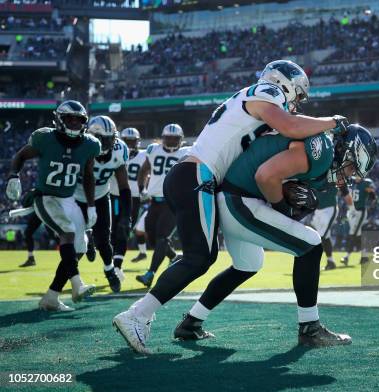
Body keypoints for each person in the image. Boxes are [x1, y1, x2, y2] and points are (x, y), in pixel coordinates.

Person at [113, 59, 351, 354]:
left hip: (199, 178)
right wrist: (332, 122)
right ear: (284, 83)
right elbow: (290, 127)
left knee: (245, 262)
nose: (298, 103)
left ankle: (190, 322)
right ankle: (138, 314)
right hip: (198, 175)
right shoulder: (266, 91)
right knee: (200, 257)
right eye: (298, 95)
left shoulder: (254, 104)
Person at [173, 124, 377, 347]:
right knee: (311, 244)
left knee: (248, 263)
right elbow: (266, 175)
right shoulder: (322, 149)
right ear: (345, 149)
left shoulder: (318, 152)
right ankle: (310, 328)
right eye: (351, 167)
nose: (348, 175)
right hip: (239, 199)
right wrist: (283, 209)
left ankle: (191, 323)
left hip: (234, 198)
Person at [5, 100, 100, 311]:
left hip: (68, 199)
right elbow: (20, 155)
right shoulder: (45, 138)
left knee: (80, 247)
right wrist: (13, 175)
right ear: (59, 119)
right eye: (69, 119)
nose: (74, 123)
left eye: (79, 120)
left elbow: (88, 176)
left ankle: (52, 296)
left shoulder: (90, 144)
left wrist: (92, 206)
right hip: (46, 197)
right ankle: (77, 284)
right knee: (67, 231)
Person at [74, 115, 131, 293]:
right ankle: (74, 278)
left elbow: (124, 186)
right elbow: (88, 178)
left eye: (110, 137)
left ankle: (109, 270)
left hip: (100, 196)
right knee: (75, 243)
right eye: (104, 139)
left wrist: (125, 215)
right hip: (75, 196)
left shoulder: (120, 149)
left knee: (104, 241)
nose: (108, 142)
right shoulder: (82, 147)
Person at [135, 123, 187, 287]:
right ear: (163, 138)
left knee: (162, 237)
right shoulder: (153, 150)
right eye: (168, 138)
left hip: (172, 202)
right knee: (152, 239)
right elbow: (144, 170)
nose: (171, 141)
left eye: (175, 138)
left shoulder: (187, 153)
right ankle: (173, 257)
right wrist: (142, 188)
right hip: (154, 202)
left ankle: (150, 274)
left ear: (181, 139)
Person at [109, 127, 148, 268]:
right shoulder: (115, 152)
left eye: (133, 141)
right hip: (115, 196)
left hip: (134, 198)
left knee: (125, 229)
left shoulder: (144, 155)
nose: (130, 144)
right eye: (127, 141)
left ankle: (117, 261)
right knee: (113, 228)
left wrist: (145, 188)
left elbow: (149, 172)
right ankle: (114, 257)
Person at [341, 176, 376, 265]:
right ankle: (364, 256)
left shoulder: (366, 183)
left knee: (354, 233)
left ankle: (347, 257)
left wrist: (372, 198)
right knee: (357, 235)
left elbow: (372, 194)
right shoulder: (350, 181)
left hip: (360, 211)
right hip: (351, 211)